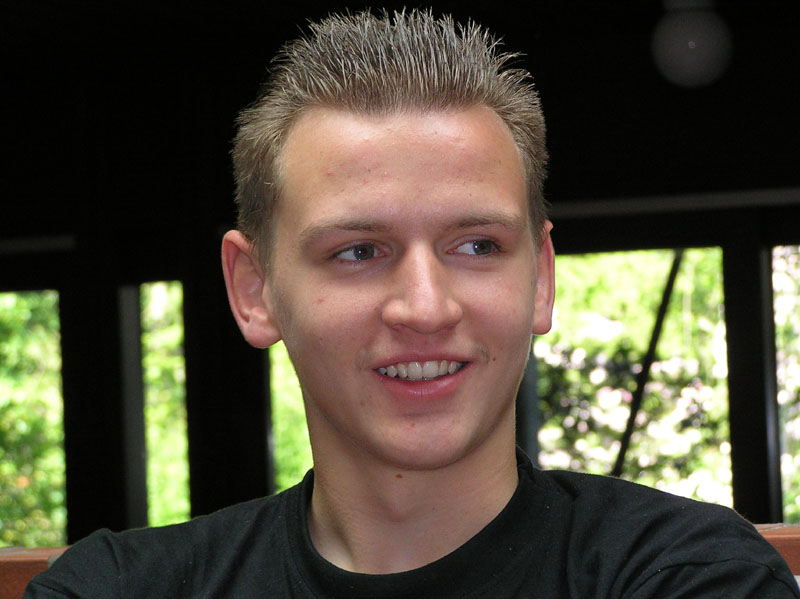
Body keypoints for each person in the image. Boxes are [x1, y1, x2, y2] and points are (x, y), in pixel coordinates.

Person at [26, 9, 799, 598]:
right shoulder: (116, 588)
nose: (425, 307)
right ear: (254, 290)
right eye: (359, 251)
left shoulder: (685, 575)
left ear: (540, 278)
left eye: (477, 245)